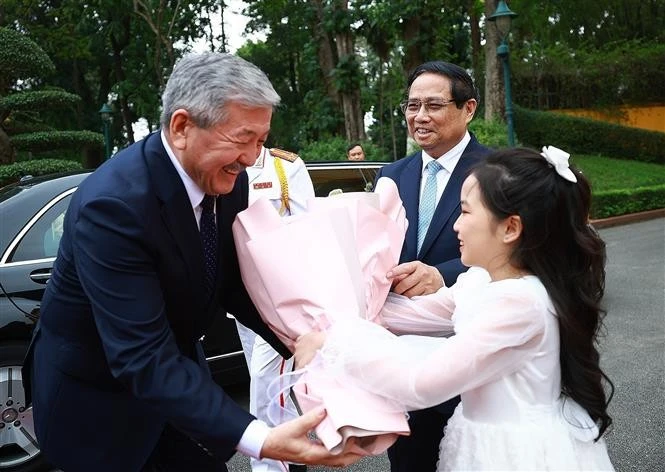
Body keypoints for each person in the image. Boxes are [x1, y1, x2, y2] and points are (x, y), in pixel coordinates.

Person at [21, 52, 361, 472]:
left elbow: (237, 281)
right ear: (182, 127)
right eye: (244, 138)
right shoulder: (114, 205)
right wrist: (262, 438)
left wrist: (300, 340)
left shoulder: (228, 179)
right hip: (99, 407)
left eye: (262, 140)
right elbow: (141, 355)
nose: (255, 158)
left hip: (180, 387)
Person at [295, 146, 615, 471]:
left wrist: (334, 344)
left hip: (516, 454)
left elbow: (420, 383)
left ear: (510, 228)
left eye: (465, 212)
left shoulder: (521, 304)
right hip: (480, 435)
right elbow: (407, 315)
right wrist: (335, 305)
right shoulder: (480, 279)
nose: (456, 226)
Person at [373, 60, 491, 471]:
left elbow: (520, 252)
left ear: (468, 108)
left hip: (470, 361)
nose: (420, 117)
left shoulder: (498, 172)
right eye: (412, 105)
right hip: (404, 370)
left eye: (434, 106)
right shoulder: (391, 174)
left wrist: (443, 274)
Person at [235, 145, 315, 472]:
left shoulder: (286, 168)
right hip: (241, 297)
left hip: (281, 300)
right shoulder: (224, 164)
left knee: (264, 385)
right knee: (269, 384)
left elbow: (309, 231)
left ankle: (269, 466)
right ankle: (294, 457)